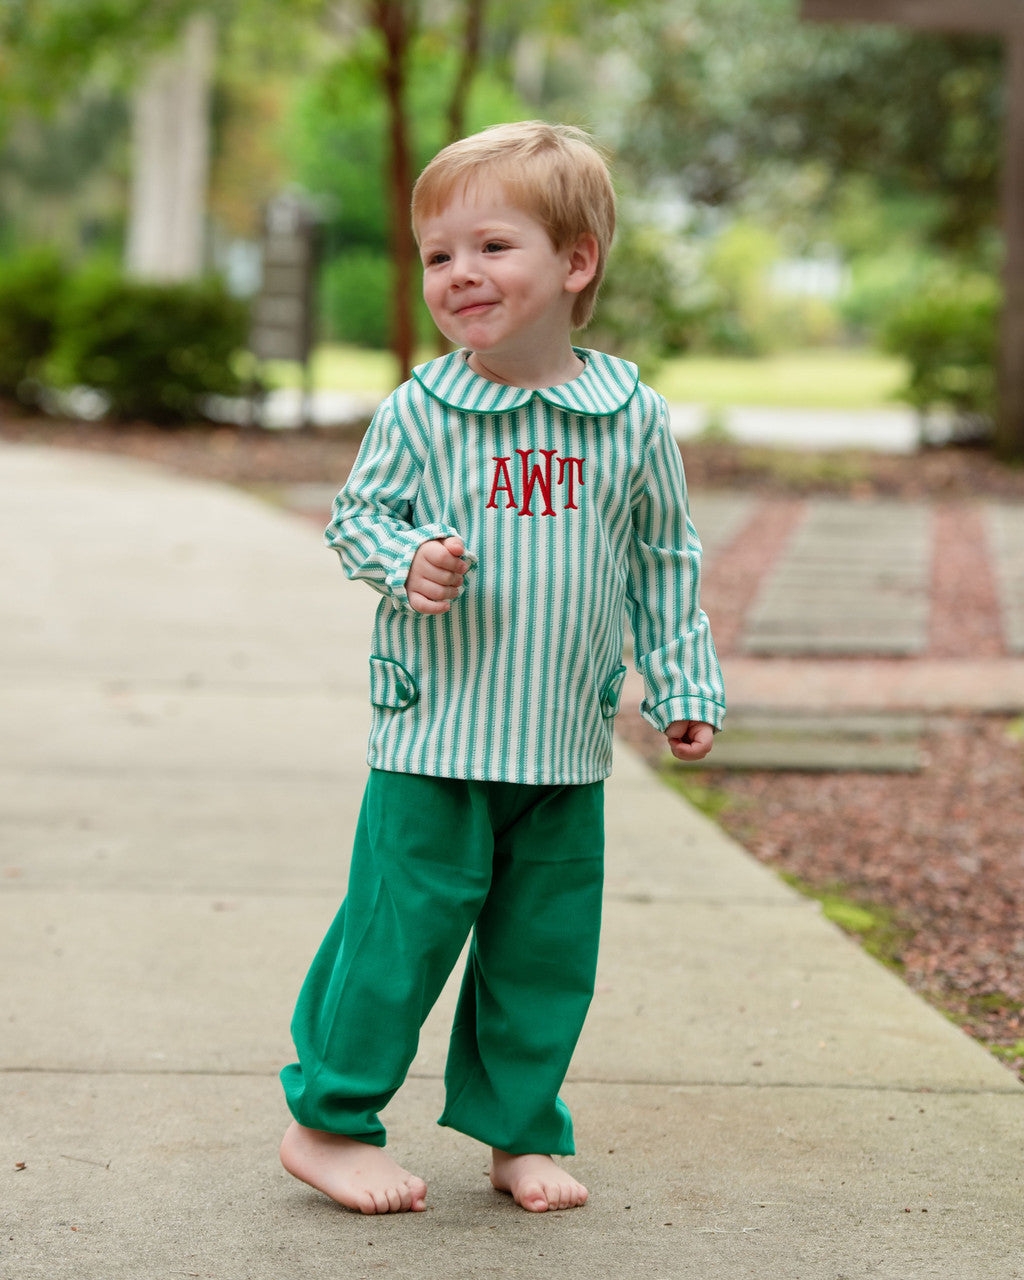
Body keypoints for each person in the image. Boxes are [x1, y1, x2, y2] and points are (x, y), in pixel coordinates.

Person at [279, 120, 725, 1217]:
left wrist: (682, 685)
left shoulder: (629, 417)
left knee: (542, 953)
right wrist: (407, 558)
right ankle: (328, 1122)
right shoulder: (423, 409)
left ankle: (518, 1129)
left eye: (491, 246)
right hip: (436, 733)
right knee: (397, 935)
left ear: (574, 262)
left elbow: (662, 560)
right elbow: (356, 519)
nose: (458, 274)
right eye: (439, 255)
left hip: (564, 744)